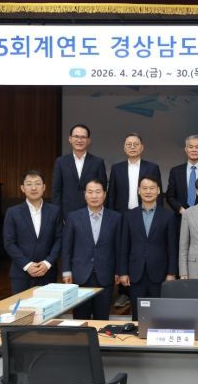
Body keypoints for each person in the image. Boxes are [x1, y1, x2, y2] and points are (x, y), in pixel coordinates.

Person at [107, 132, 162, 309]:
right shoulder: (117, 168)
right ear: (124, 148)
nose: (132, 147)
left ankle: (145, 288)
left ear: (142, 147)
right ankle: (124, 292)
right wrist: (111, 216)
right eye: (129, 144)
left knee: (143, 249)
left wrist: (158, 216)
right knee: (124, 249)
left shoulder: (152, 167)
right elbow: (112, 194)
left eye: (136, 144)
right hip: (122, 216)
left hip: (145, 214)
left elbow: (158, 194)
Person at [62, 179, 122, 320]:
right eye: (90, 192)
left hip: (105, 275)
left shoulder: (116, 217)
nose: (94, 196)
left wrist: (119, 271)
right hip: (80, 275)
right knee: (80, 318)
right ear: (85, 194)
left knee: (102, 318)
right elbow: (67, 246)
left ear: (104, 194)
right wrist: (66, 270)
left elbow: (119, 247)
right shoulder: (73, 217)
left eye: (98, 192)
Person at [120, 176, 178, 321]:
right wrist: (123, 272)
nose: (148, 191)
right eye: (144, 188)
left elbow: (172, 247)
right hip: (135, 273)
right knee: (137, 315)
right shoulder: (129, 216)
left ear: (158, 191)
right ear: (139, 191)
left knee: (159, 315)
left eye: (152, 188)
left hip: (160, 274)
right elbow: (124, 246)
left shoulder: (168, 216)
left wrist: (171, 273)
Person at [3, 170, 62, 294]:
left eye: (37, 183)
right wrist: (27, 265)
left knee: (48, 306)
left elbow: (59, 239)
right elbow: (9, 243)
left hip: (48, 273)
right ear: (22, 188)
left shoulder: (55, 211)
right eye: (29, 184)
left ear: (44, 187)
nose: (33, 188)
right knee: (22, 306)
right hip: (21, 274)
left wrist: (48, 262)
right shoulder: (12, 212)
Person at [52, 124, 107, 219]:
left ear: (88, 140)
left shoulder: (98, 162)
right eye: (76, 136)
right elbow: (56, 191)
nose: (79, 140)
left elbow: (103, 189)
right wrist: (58, 216)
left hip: (92, 213)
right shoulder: (61, 162)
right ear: (70, 139)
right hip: (66, 214)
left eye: (83, 137)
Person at [166, 134, 198, 217]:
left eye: (197, 147)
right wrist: (181, 210)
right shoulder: (175, 171)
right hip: (180, 217)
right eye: (191, 147)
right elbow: (170, 196)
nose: (194, 150)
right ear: (186, 149)